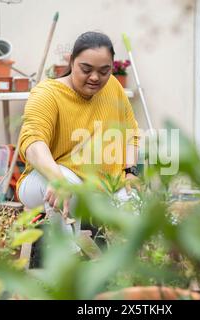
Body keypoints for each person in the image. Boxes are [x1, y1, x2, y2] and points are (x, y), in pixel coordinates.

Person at [17, 31, 141, 238]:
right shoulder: (48, 93)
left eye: (104, 71)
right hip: (44, 181)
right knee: (67, 183)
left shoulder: (113, 87)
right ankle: (67, 259)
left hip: (101, 186)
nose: (95, 77)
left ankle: (130, 267)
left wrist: (130, 173)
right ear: (72, 61)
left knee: (134, 207)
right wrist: (56, 178)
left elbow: (131, 134)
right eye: (86, 69)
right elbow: (33, 142)